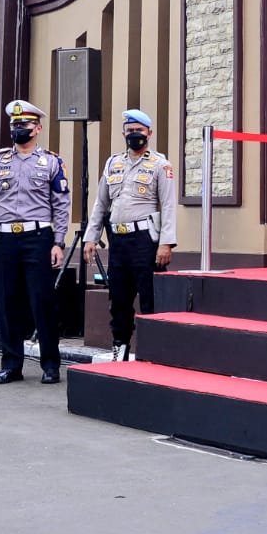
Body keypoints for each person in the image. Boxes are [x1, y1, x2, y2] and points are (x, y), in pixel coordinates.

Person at [0, 99, 71, 385]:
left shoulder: (51, 162)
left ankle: (50, 365)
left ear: (38, 128)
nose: (19, 129)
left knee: (41, 302)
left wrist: (59, 242)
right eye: (15, 124)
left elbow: (61, 205)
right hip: (4, 239)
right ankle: (11, 365)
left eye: (24, 124)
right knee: (7, 302)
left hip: (38, 238)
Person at [83, 109, 177, 362]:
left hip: (146, 241)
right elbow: (101, 203)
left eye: (139, 131)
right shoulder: (113, 163)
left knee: (150, 300)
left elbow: (168, 205)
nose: (134, 134)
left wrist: (166, 243)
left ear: (149, 133)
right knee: (119, 300)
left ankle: (152, 355)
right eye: (130, 130)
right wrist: (91, 238)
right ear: (123, 133)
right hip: (118, 241)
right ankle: (120, 351)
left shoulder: (160, 165)